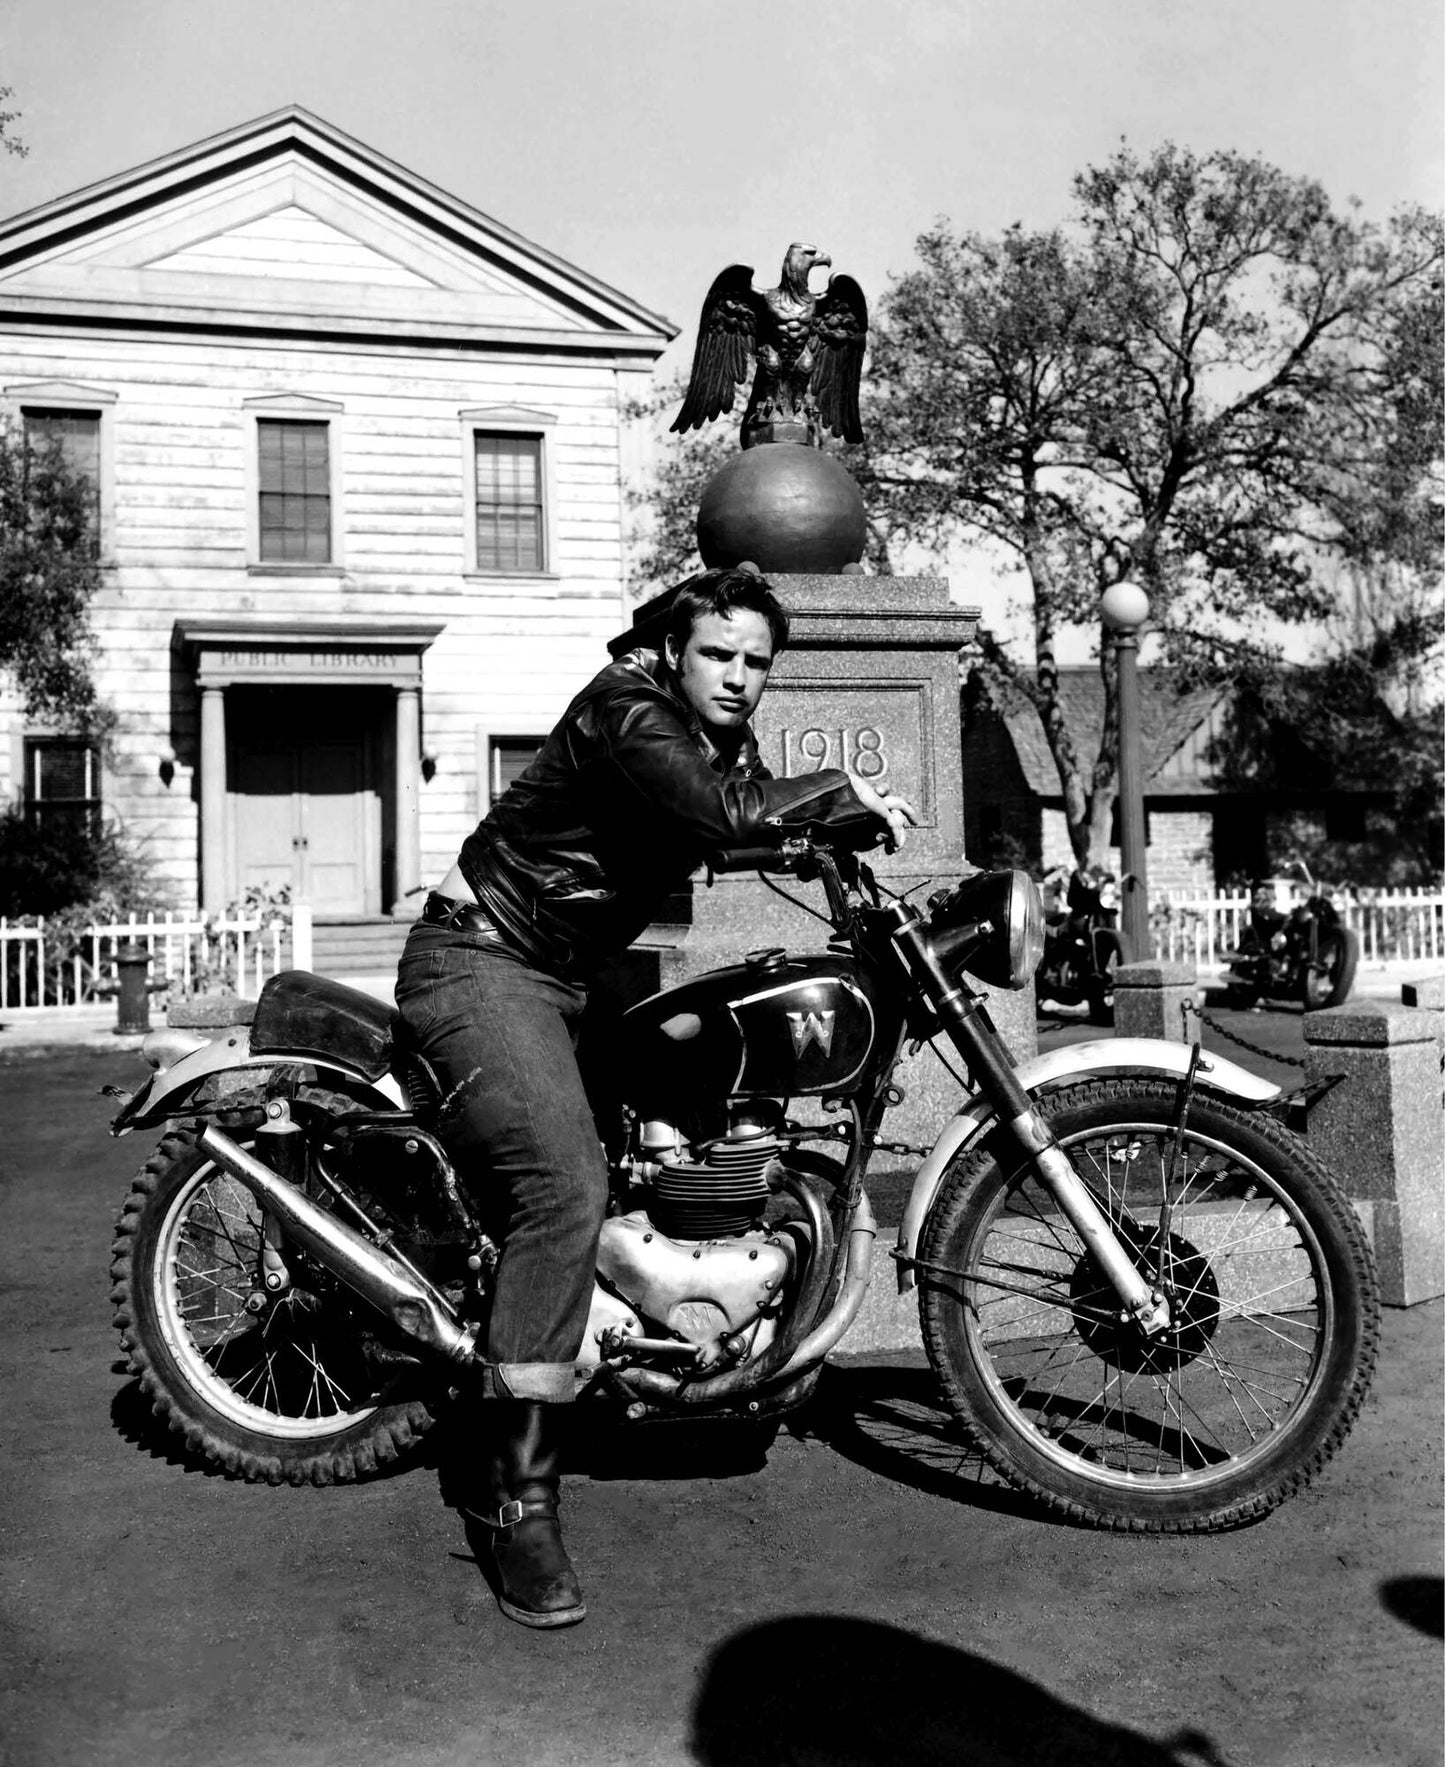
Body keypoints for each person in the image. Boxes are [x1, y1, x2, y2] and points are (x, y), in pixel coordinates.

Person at [394, 566, 915, 1629]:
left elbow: (750, 823)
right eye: (719, 654)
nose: (736, 677)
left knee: (663, 1130)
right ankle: (515, 1498)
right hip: (483, 960)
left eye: (755, 662)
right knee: (563, 1187)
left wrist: (840, 836)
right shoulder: (625, 710)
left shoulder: (712, 736)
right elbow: (719, 816)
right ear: (676, 649)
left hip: (568, 973)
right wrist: (832, 799)